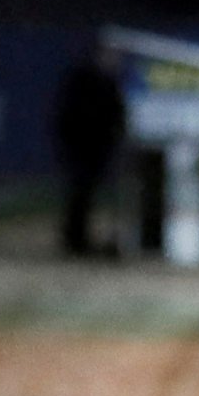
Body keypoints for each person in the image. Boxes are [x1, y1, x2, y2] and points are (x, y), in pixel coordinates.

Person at [54, 45, 129, 260]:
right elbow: (67, 114)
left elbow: (118, 115)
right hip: (80, 147)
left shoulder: (111, 83)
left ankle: (83, 238)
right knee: (79, 192)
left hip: (100, 148)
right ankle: (74, 239)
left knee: (92, 192)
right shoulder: (81, 80)